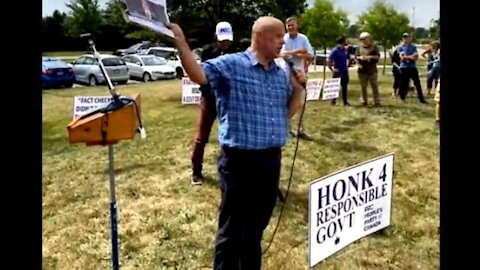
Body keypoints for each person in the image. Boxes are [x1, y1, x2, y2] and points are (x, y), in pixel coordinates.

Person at [169, 16, 306, 270]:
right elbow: (199, 74)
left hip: (270, 159)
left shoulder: (279, 73)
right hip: (239, 162)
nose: (282, 42)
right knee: (233, 228)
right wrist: (181, 43)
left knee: (256, 227)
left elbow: (284, 114)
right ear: (261, 37)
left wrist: (297, 90)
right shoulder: (231, 65)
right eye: (278, 36)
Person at [191, 21, 239, 185]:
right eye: (222, 39)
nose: (225, 43)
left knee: (233, 136)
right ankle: (196, 171)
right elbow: (205, 77)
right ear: (215, 37)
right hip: (210, 99)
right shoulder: (207, 52)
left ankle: (233, 170)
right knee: (202, 136)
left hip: (229, 100)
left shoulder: (236, 52)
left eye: (228, 40)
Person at [280, 16, 314, 141]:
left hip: (300, 73)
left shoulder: (303, 38)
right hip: (285, 73)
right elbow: (282, 55)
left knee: (301, 103)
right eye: (288, 26)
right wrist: (299, 52)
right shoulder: (283, 38)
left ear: (297, 26)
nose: (290, 28)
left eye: (292, 25)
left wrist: (292, 53)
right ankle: (287, 129)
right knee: (286, 101)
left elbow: (309, 55)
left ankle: (300, 129)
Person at [397, 33, 427, 103]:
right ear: (403, 39)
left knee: (417, 83)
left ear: (410, 38)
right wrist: (410, 57)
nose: (406, 39)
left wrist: (407, 57)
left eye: (407, 37)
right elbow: (402, 57)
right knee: (403, 83)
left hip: (412, 67)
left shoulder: (413, 47)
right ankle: (402, 98)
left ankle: (421, 99)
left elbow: (416, 57)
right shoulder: (400, 47)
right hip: (404, 67)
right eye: (404, 38)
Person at [355, 32, 381, 106]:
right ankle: (364, 101)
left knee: (374, 86)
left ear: (368, 39)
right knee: (363, 86)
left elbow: (377, 57)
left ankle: (377, 101)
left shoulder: (374, 47)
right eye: (361, 39)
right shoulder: (359, 47)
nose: (363, 41)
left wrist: (370, 57)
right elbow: (356, 56)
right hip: (362, 70)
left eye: (364, 39)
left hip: (372, 70)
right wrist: (360, 58)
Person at [327, 36, 351, 106]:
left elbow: (348, 58)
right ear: (343, 41)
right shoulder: (335, 50)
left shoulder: (345, 50)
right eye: (346, 40)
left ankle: (345, 102)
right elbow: (329, 60)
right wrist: (331, 69)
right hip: (337, 71)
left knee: (344, 86)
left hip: (344, 71)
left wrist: (349, 64)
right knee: (335, 86)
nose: (347, 41)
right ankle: (333, 101)